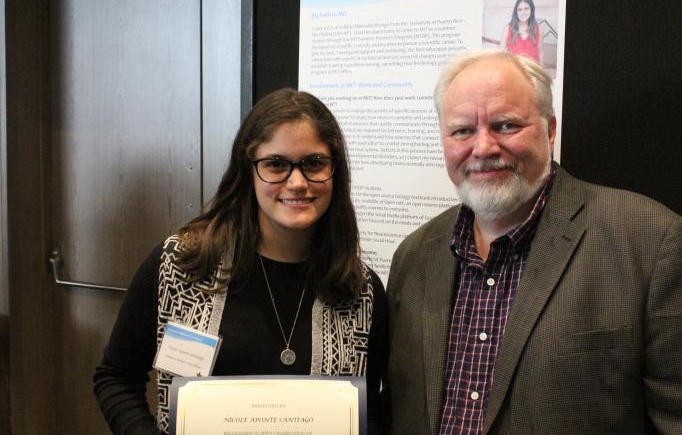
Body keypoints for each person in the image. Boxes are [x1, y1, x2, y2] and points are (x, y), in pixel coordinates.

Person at [385, 50, 682, 434]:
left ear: (550, 129)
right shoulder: (413, 256)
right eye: (462, 131)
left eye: (506, 125)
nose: (484, 148)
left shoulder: (650, 241)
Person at [94, 88, 388, 435]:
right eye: (276, 164)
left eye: (313, 163)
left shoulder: (361, 291)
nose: (297, 182)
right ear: (248, 170)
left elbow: (372, 407)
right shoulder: (181, 265)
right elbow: (116, 377)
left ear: (334, 170)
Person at [501, 0, 543, 66]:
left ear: (531, 10)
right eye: (520, 9)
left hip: (532, 70)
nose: (523, 12)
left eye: (526, 8)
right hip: (514, 71)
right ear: (516, 12)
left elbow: (540, 52)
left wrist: (541, 72)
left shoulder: (538, 28)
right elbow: (503, 53)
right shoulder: (507, 28)